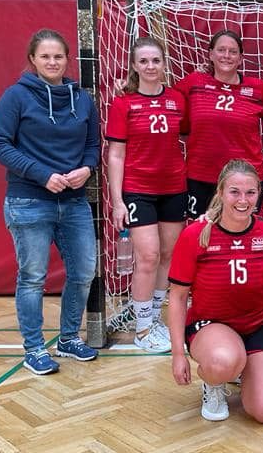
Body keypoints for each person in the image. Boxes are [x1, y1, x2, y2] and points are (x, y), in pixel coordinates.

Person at [0, 28, 100, 375]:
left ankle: (68, 338)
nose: (53, 62)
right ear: (33, 60)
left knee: (84, 271)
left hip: (74, 202)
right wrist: (42, 175)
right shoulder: (16, 96)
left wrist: (87, 168)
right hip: (29, 201)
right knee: (33, 277)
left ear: (67, 59)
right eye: (45, 56)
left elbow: (93, 145)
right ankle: (34, 348)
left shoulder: (82, 99)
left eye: (58, 56)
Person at [167, 159, 263, 422]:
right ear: (220, 192)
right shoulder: (196, 235)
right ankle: (214, 382)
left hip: (262, 323)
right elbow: (178, 297)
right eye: (234, 192)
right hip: (212, 325)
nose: (243, 200)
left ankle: (245, 367)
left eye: (250, 192)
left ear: (259, 194)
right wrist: (178, 354)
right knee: (223, 361)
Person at [105, 37, 188, 353]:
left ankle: (153, 320)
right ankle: (142, 329)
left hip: (174, 188)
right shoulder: (123, 103)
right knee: (148, 256)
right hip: (139, 190)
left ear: (164, 64)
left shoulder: (177, 100)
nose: (150, 66)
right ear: (134, 66)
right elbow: (116, 155)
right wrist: (117, 201)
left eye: (156, 60)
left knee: (167, 256)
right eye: (144, 61)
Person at [174, 30, 263, 219]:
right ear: (211, 54)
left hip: (244, 179)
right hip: (201, 176)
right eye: (221, 50)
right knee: (201, 231)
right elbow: (160, 99)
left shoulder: (259, 89)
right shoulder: (193, 83)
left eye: (233, 51)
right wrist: (129, 87)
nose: (226, 56)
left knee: (243, 230)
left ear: (241, 58)